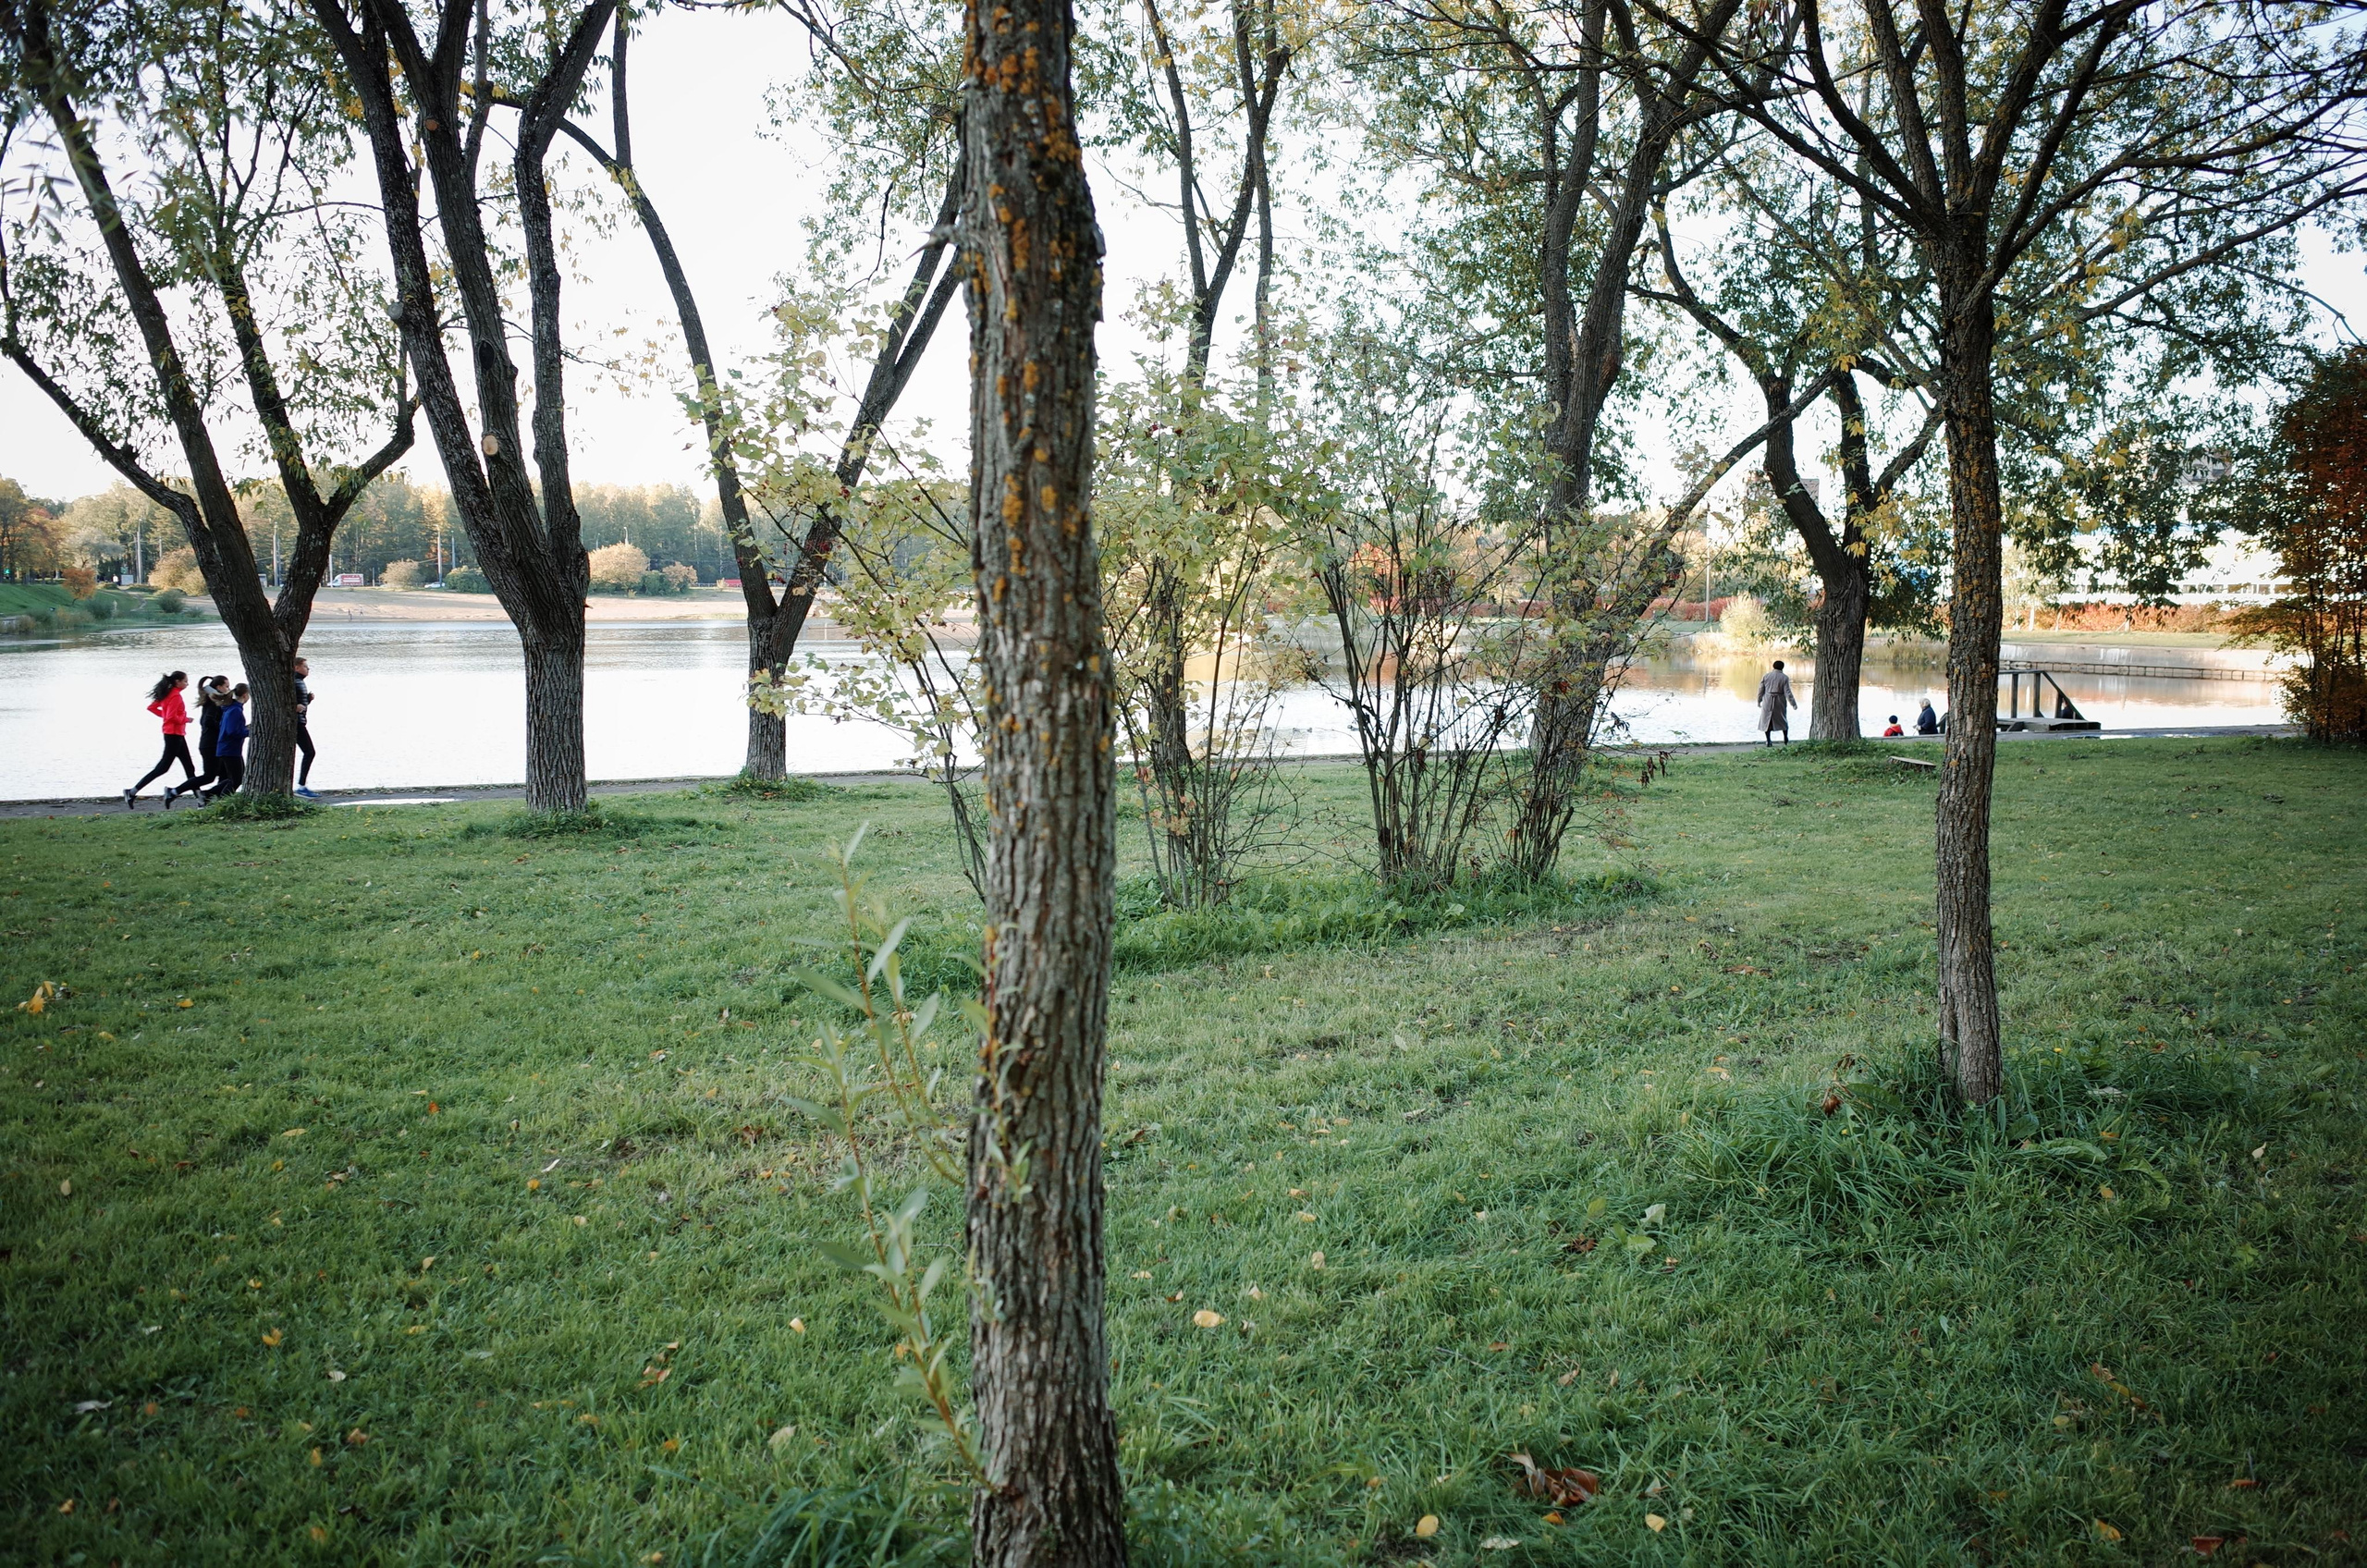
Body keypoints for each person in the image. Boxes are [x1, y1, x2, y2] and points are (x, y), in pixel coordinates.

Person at [125, 671, 195, 807]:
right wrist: (185, 719)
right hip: (173, 735)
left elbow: (152, 708)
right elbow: (171, 717)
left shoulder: (167, 694)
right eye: (185, 681)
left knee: (189, 767)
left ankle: (200, 800)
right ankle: (132, 792)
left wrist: (166, 715)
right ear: (177, 682)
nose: (187, 684)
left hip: (176, 734)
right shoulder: (175, 696)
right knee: (163, 768)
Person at [165, 676, 230, 807]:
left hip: (216, 744)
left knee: (227, 774)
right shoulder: (213, 702)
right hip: (210, 745)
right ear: (218, 687)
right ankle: (173, 792)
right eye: (226, 686)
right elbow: (207, 721)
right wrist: (224, 729)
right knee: (209, 776)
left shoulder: (216, 700)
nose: (229, 689)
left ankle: (215, 801)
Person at [204, 683, 250, 801]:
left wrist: (245, 728)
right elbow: (232, 731)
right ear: (245, 695)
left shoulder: (231, 708)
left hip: (228, 748)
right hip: (230, 749)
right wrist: (248, 732)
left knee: (236, 778)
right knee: (236, 780)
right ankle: (221, 801)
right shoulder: (235, 710)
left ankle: (208, 794)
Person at [292, 656, 318, 797]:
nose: (308, 669)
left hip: (300, 722)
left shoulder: (299, 682)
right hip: (296, 724)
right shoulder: (294, 681)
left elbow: (300, 703)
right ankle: (301, 786)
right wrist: (294, 707)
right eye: (305, 666)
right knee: (310, 752)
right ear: (296, 668)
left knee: (308, 752)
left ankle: (301, 785)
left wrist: (307, 699)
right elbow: (285, 700)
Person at [1756, 659, 1797, 745]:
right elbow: (1787, 692)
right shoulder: (1784, 677)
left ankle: (1768, 740)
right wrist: (1793, 704)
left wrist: (1759, 700)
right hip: (1779, 700)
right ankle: (1785, 738)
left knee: (1767, 719)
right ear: (1782, 667)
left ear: (1773, 666)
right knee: (1782, 718)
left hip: (1767, 699)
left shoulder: (1766, 676)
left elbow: (1761, 689)